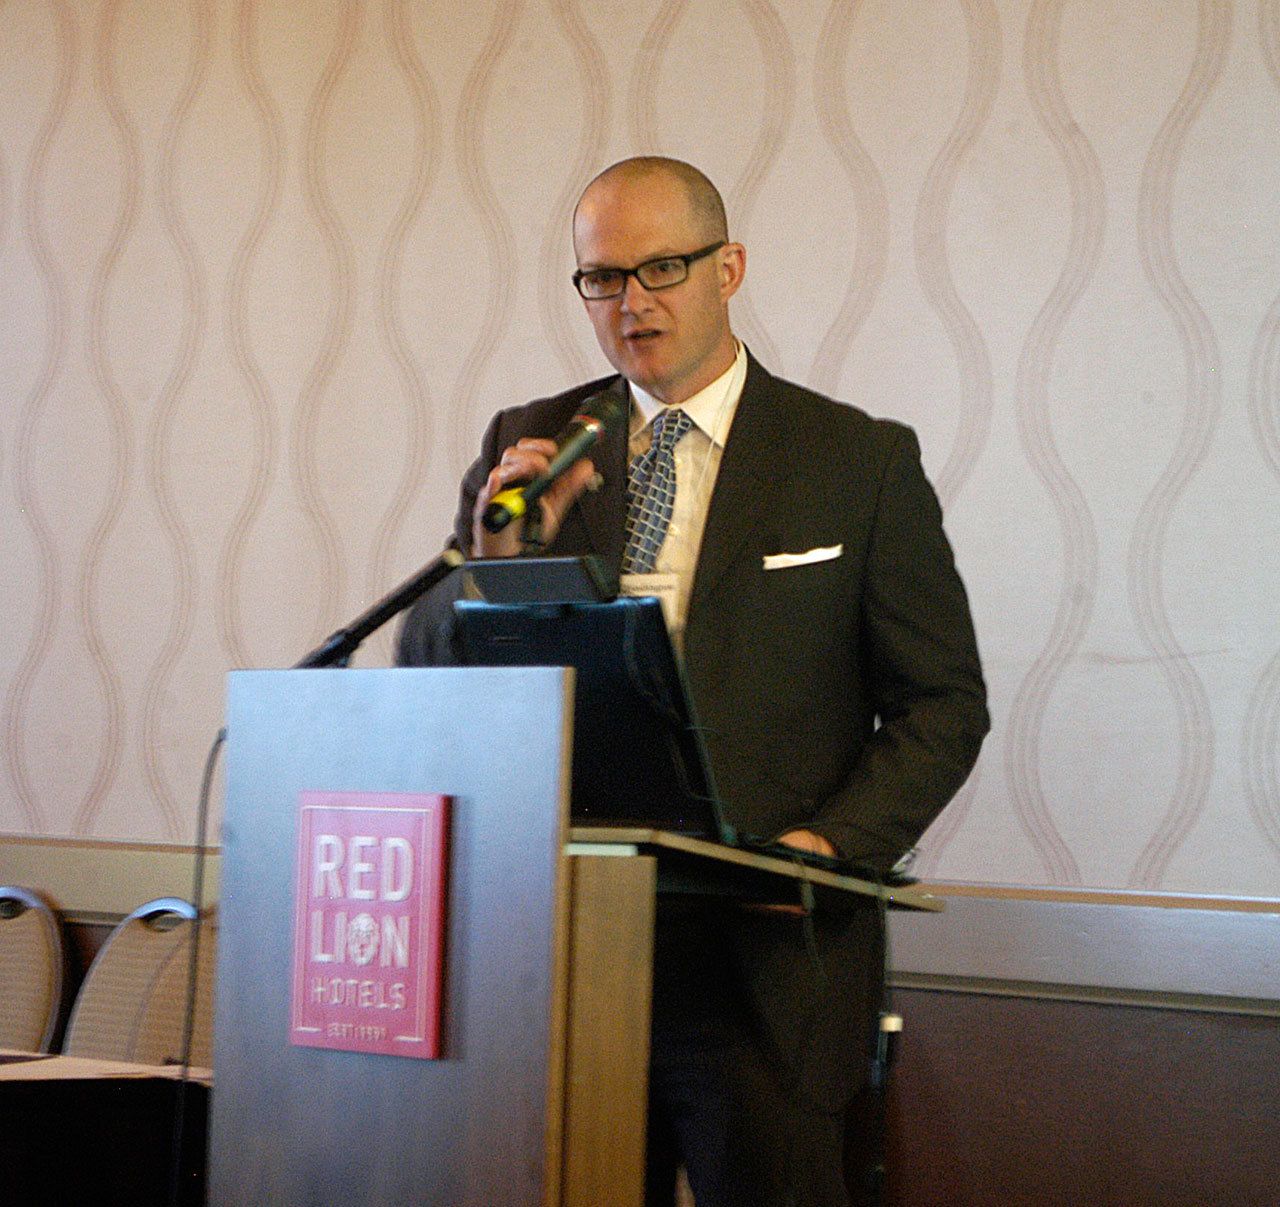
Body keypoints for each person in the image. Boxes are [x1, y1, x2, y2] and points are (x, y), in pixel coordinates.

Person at [397, 157, 988, 1207]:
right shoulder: (534, 441)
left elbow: (941, 703)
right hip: (563, 953)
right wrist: (489, 554)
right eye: (603, 277)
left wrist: (822, 846)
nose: (633, 301)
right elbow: (430, 661)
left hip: (762, 961)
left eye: (662, 267)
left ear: (730, 268)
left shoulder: (853, 461)